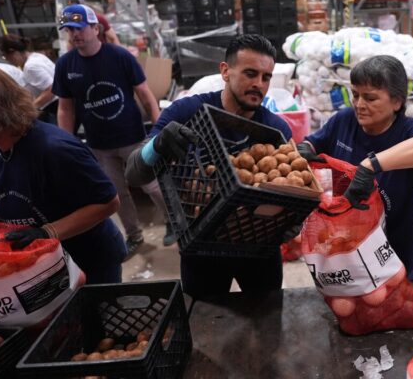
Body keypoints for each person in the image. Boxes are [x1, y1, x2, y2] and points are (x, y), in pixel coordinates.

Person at [125, 34, 292, 299]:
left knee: (266, 318)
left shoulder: (275, 130)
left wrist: (290, 219)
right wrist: (156, 146)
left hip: (259, 247)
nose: (258, 84)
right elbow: (133, 174)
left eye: (266, 77)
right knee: (205, 322)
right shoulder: (186, 112)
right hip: (201, 247)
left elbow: (288, 196)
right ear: (225, 71)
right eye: (250, 73)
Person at [297, 55, 413, 281]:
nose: (359, 105)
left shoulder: (409, 132)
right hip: (346, 251)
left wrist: (371, 165)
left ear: (397, 102)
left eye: (370, 98)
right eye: (356, 95)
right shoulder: (344, 121)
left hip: (396, 254)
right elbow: (314, 143)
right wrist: (303, 150)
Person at [0, 65, 126, 283]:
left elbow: (108, 202)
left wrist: (47, 232)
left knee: (92, 314)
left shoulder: (55, 150)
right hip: (40, 264)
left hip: (88, 259)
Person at [53, 4, 166, 254]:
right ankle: (134, 235)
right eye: (69, 30)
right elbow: (65, 108)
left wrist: (158, 133)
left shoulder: (120, 56)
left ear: (96, 28)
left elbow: (146, 96)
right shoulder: (65, 66)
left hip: (134, 138)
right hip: (99, 145)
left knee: (153, 186)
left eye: (79, 28)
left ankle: (174, 223)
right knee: (116, 195)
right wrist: (65, 143)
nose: (74, 35)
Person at [0, 34, 56, 110]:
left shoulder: (30, 67)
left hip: (53, 106)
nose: (8, 61)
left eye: (6, 57)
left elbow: (51, 90)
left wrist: (31, 109)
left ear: (13, 52)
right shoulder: (36, 56)